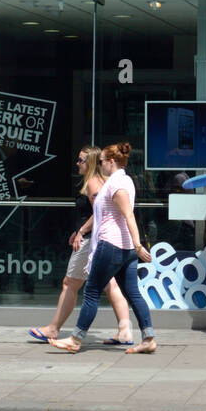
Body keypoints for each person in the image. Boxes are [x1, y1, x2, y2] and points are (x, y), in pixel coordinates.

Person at [49, 142, 156, 354]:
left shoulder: (118, 185)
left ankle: (75, 339)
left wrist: (137, 244)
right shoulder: (120, 181)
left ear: (111, 162)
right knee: (132, 293)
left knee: (91, 292)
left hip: (113, 245)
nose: (100, 165)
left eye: (102, 161)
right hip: (123, 248)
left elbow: (129, 215)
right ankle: (148, 338)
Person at [28, 146, 133, 345]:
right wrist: (78, 230)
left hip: (90, 242)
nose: (77, 163)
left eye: (81, 160)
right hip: (96, 239)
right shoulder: (99, 182)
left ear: (91, 162)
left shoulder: (93, 183)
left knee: (70, 283)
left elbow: (100, 212)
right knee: (110, 284)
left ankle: (53, 329)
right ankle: (125, 331)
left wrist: (82, 231)